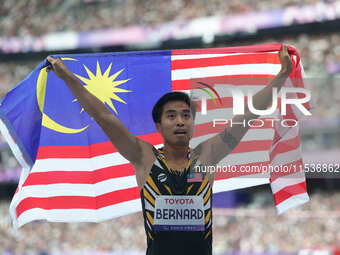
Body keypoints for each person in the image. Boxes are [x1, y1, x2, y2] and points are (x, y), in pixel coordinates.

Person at [46, 45, 292, 255]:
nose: (180, 121)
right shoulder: (144, 157)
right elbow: (104, 116)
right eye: (172, 116)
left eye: (186, 115)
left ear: (193, 123)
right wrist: (68, 77)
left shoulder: (207, 156)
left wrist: (282, 75)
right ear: (159, 125)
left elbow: (248, 115)